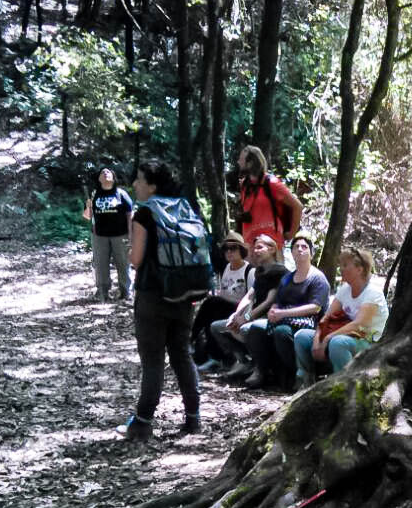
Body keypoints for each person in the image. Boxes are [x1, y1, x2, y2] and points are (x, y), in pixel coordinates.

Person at [117, 162, 201, 441]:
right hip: (184, 295)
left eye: (139, 180)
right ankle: (193, 417)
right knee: (182, 355)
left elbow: (136, 260)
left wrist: (132, 237)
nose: (134, 185)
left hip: (152, 296)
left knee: (153, 361)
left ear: (152, 185)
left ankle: (142, 422)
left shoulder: (144, 214)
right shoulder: (185, 206)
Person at [241, 231, 329, 390]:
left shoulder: (317, 278)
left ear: (311, 252)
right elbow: (277, 301)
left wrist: (283, 314)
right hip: (285, 319)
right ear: (292, 252)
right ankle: (264, 371)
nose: (300, 249)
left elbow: (315, 307)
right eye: (296, 247)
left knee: (281, 332)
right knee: (256, 328)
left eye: (304, 247)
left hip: (311, 325)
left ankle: (299, 374)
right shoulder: (287, 278)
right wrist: (273, 311)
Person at [294, 245, 388, 387]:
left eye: (345, 265)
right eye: (340, 265)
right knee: (301, 336)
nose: (341, 268)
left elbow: (359, 325)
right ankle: (306, 379)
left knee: (338, 342)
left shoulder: (373, 293)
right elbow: (326, 317)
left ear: (359, 269)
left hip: (367, 340)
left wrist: (326, 338)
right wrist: (317, 339)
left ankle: (342, 385)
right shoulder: (345, 289)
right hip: (342, 334)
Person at [209, 234, 287, 377]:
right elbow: (249, 295)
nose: (256, 251)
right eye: (254, 248)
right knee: (217, 327)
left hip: (269, 317)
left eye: (260, 247)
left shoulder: (280, 272)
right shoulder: (260, 271)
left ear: (271, 249)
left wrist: (246, 317)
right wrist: (236, 315)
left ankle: (260, 367)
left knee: (245, 329)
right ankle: (242, 361)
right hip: (252, 316)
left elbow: (269, 301)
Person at [191, 232, 251, 369]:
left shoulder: (249, 270)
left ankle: (192, 339)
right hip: (223, 307)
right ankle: (213, 355)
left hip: (241, 311)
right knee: (211, 310)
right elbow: (224, 291)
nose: (229, 252)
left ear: (241, 250)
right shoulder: (227, 268)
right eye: (226, 249)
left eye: (233, 248)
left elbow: (251, 298)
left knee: (211, 304)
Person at [237, 145, 302, 254]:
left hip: (271, 247)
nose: (238, 162)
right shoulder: (245, 184)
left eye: (241, 159)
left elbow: (298, 206)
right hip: (250, 248)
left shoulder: (272, 183)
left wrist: (291, 234)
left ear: (250, 163)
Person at [83, 167, 133, 301]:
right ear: (99, 179)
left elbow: (130, 214)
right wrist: (88, 206)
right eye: (102, 173)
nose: (105, 173)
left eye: (108, 172)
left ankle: (126, 291)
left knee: (123, 263)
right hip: (99, 235)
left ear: (114, 177)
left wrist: (130, 234)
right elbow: (88, 217)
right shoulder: (95, 195)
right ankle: (102, 291)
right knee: (101, 264)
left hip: (120, 234)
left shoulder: (121, 194)